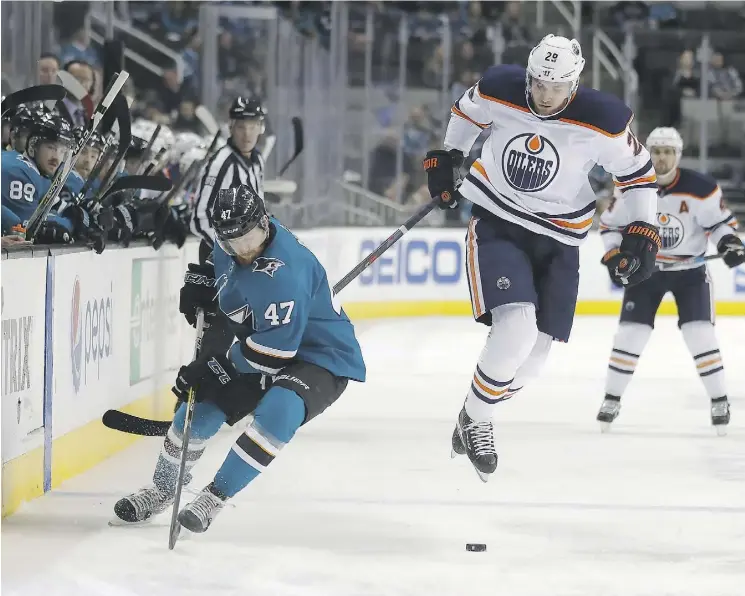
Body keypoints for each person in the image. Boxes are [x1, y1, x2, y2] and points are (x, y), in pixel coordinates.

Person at [423, 34, 661, 482]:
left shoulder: (602, 121)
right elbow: (466, 111)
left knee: (533, 360)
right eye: (538, 83)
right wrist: (449, 155)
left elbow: (638, 174)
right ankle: (479, 420)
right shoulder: (501, 88)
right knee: (515, 328)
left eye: (555, 87)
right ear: (528, 75)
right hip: (498, 221)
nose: (544, 95)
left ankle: (473, 411)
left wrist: (643, 228)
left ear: (574, 84)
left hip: (560, 240)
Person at [113, 185, 366, 532]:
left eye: (249, 239)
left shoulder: (285, 275)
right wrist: (204, 281)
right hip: (264, 343)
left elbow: (274, 355)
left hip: (320, 356)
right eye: (233, 244)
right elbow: (225, 276)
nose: (244, 251)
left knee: (279, 412)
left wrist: (214, 365)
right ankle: (161, 489)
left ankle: (214, 496)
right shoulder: (231, 238)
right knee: (198, 411)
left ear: (264, 222)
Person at [597, 127, 743, 435]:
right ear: (648, 152)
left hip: (689, 274)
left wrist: (728, 242)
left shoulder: (701, 187)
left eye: (668, 151)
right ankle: (611, 399)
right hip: (644, 271)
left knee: (700, 333)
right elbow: (610, 225)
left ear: (678, 154)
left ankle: (719, 400)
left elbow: (719, 224)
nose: (662, 157)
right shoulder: (631, 185)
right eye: (657, 151)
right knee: (629, 335)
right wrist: (613, 254)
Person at [1, 113, 101, 246]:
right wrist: (72, 223)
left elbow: (56, 209)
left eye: (62, 151)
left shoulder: (40, 175)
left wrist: (87, 223)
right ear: (33, 146)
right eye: (51, 148)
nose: (57, 158)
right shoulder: (19, 172)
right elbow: (25, 228)